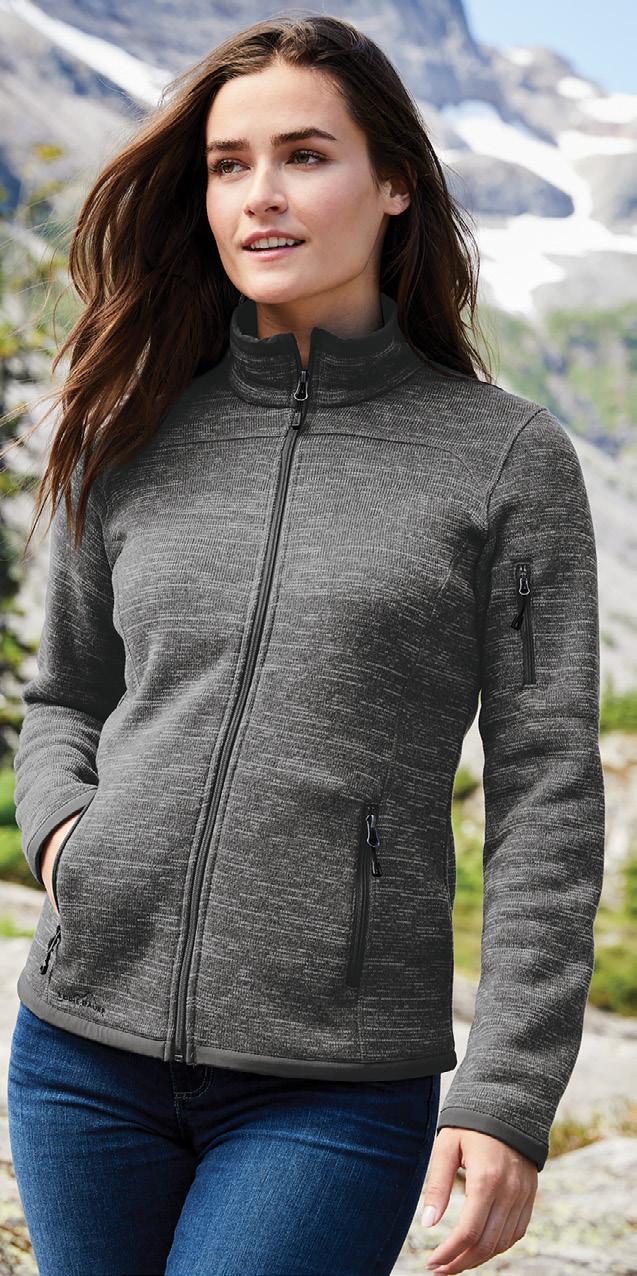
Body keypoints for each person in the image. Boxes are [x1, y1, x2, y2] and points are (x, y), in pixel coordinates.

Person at [5, 14, 605, 1276]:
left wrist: (507, 1089)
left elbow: (547, 787)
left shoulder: (503, 459)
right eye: (228, 165)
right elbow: (66, 693)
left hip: (329, 1086)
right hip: (81, 1056)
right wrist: (68, 842)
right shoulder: (133, 425)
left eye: (304, 155)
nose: (259, 195)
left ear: (395, 184)